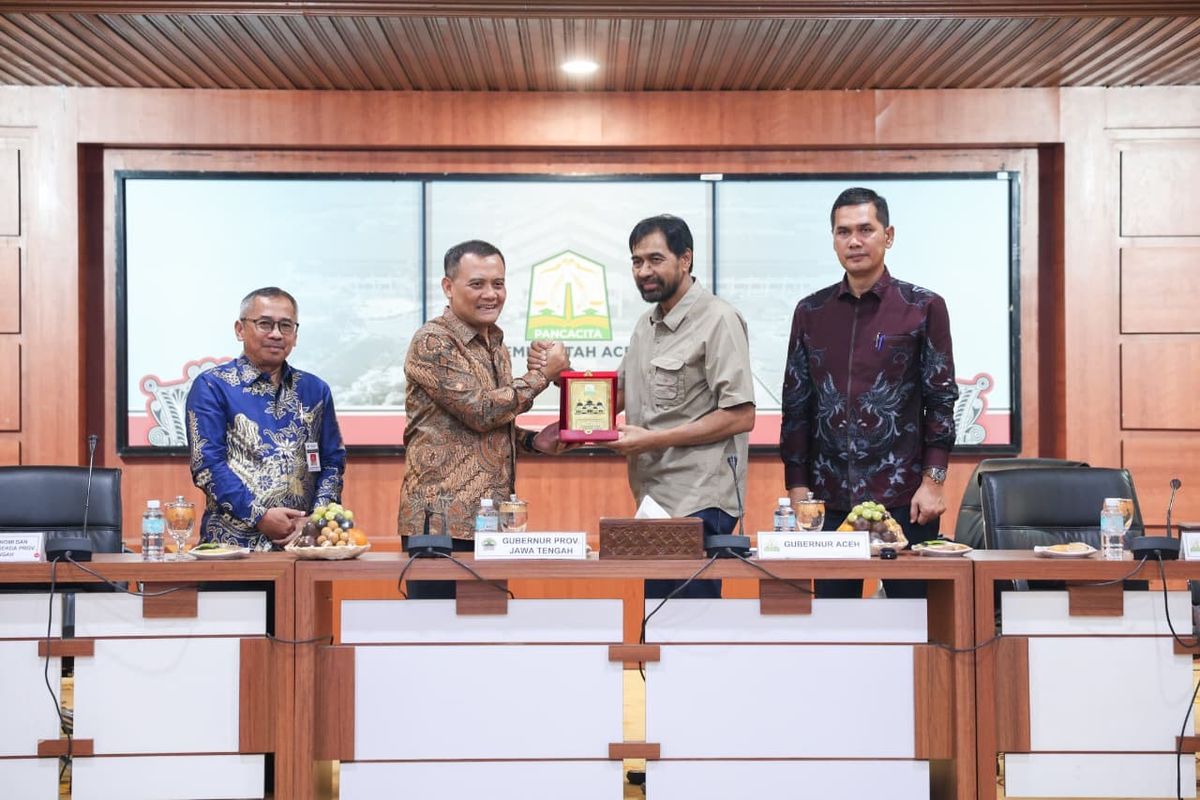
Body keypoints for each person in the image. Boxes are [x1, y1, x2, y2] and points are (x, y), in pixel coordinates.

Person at [781, 187, 959, 599]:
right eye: (843, 232)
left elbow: (941, 399)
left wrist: (933, 482)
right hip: (827, 499)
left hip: (904, 494)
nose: (855, 241)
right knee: (834, 627)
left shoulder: (923, 307)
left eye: (866, 229)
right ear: (833, 239)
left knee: (917, 622)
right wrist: (796, 486)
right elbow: (796, 404)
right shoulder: (811, 312)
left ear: (888, 235)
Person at [398, 240, 570, 597]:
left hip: (490, 524)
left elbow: (483, 427)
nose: (491, 294)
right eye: (477, 284)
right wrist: (541, 377)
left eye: (498, 283)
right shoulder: (433, 341)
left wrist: (532, 441)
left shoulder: (495, 344)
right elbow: (480, 410)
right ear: (449, 287)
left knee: (485, 636)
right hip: (441, 523)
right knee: (435, 640)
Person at [608, 215, 756, 599]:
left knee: (692, 628)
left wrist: (653, 440)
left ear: (685, 259)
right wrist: (568, 415)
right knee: (658, 619)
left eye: (655, 259)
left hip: (702, 502)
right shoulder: (647, 323)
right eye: (637, 261)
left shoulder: (718, 319)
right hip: (655, 499)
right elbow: (618, 394)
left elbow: (742, 415)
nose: (644, 271)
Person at [186, 287, 347, 551]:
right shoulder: (212, 386)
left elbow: (332, 462)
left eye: (285, 325)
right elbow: (207, 466)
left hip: (304, 547)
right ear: (240, 329)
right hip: (233, 549)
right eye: (264, 324)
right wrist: (259, 516)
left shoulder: (316, 390)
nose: (276, 334)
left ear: (295, 335)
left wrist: (314, 521)